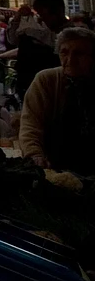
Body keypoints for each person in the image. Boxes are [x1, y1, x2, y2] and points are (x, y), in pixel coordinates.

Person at [17, 25, 94, 174]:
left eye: (79, 54)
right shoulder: (46, 80)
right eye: (64, 52)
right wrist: (34, 154)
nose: (70, 60)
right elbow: (30, 125)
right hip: (55, 165)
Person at [0, 0, 68, 101]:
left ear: (55, 13)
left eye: (43, 15)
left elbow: (54, 43)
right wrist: (17, 19)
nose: (42, 19)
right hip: (31, 84)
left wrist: (31, 33)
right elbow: (13, 40)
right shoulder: (42, 30)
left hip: (55, 88)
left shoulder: (67, 33)